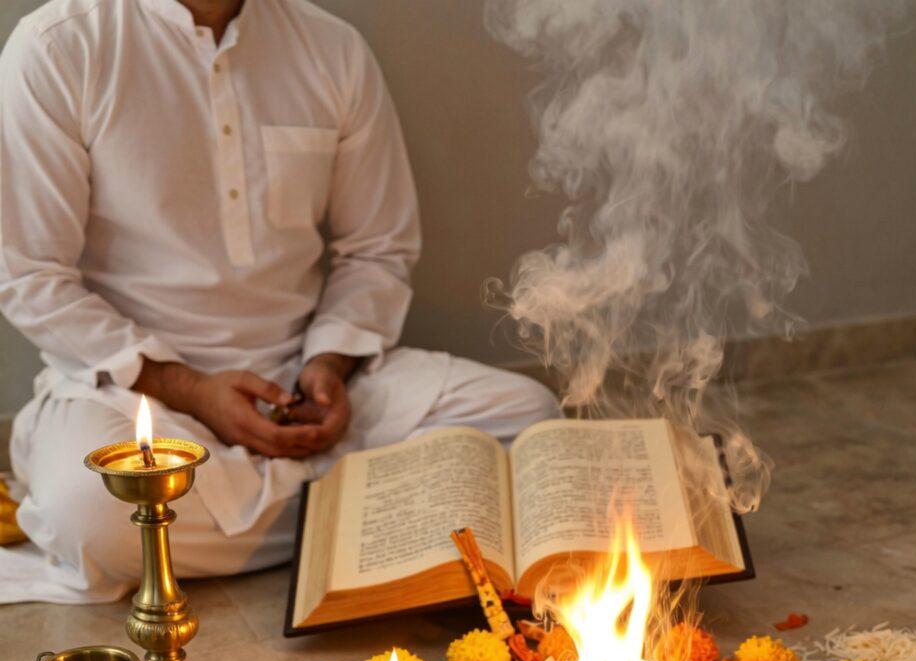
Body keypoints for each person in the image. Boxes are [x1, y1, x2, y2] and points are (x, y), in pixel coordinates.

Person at [0, 0, 560, 604]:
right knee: (95, 513)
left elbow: (376, 250)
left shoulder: (331, 46)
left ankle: (307, 515)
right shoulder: (59, 45)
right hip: (140, 397)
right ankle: (363, 523)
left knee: (527, 420)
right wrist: (193, 391)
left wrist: (327, 367)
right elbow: (29, 274)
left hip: (302, 387)